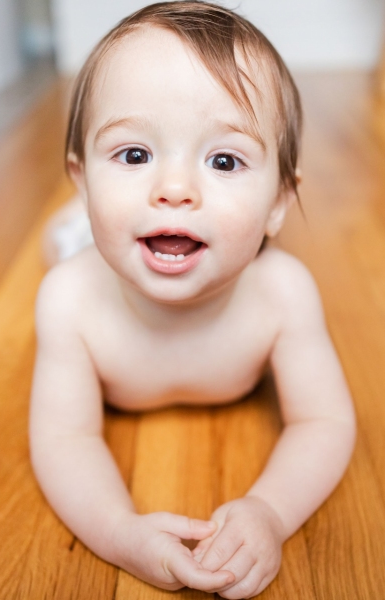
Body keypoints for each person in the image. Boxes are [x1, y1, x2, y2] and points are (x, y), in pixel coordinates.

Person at [29, 2, 356, 598]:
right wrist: (120, 532)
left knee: (117, 223)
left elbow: (324, 421)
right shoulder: (69, 304)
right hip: (95, 245)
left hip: (132, 227)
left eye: (224, 160)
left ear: (281, 202)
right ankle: (80, 224)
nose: (175, 190)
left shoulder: (283, 295)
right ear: (80, 176)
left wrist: (271, 513)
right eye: (134, 154)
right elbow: (63, 439)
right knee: (69, 246)